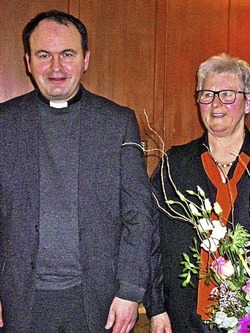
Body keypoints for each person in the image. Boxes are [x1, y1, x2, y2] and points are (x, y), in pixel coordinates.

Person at [0, 10, 156, 333]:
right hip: (20, 302)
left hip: (97, 303)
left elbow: (139, 214)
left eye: (67, 54)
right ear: (28, 62)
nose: (56, 67)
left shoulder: (117, 123)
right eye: (44, 55)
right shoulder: (4, 123)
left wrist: (129, 290)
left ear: (85, 59)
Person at [143, 54, 250, 333]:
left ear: (248, 101)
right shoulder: (175, 166)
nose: (216, 104)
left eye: (227, 94)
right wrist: (156, 308)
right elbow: (149, 239)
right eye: (207, 94)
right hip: (183, 318)